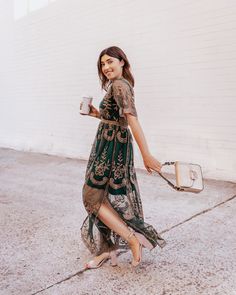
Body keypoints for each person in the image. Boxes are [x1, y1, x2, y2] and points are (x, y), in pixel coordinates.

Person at [80, 46, 166, 269]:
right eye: (102, 64)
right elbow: (117, 118)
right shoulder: (118, 86)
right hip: (108, 143)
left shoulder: (120, 85)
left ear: (122, 63)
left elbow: (132, 120)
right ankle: (107, 250)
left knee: (91, 196)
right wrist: (95, 113)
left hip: (111, 147)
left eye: (110, 62)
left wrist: (146, 155)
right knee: (103, 198)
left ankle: (131, 239)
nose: (106, 67)